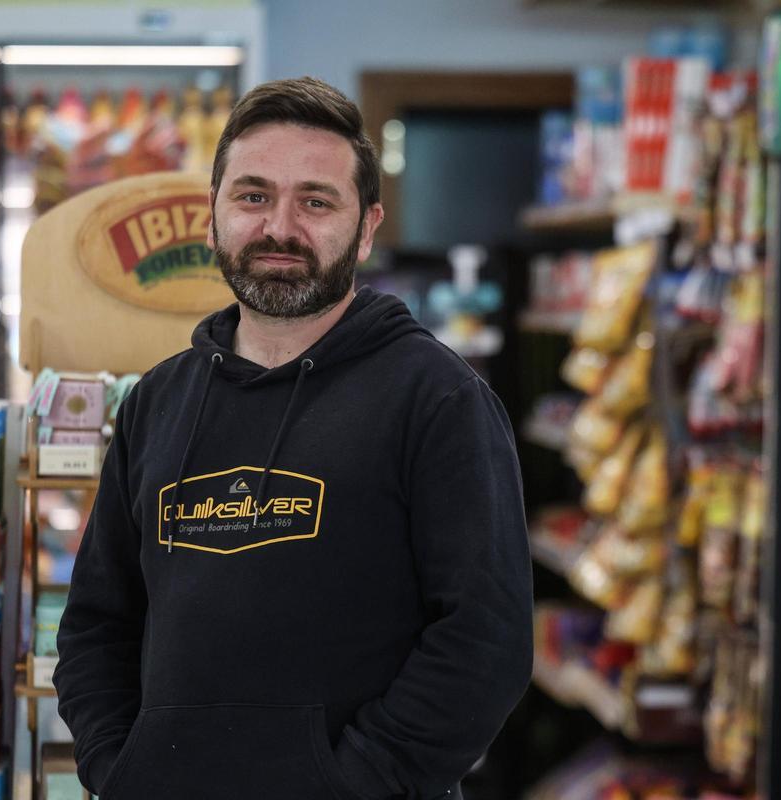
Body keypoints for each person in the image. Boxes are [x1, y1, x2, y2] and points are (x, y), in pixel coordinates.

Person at [54, 76, 533, 800]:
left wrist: (352, 784)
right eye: (253, 196)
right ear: (211, 217)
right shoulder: (159, 401)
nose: (280, 227)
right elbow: (98, 624)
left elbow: (485, 643)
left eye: (316, 200)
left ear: (366, 226)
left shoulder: (438, 399)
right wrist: (119, 770)